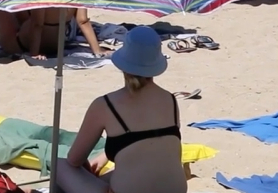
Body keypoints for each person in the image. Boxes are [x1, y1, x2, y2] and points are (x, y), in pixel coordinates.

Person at [56, 27, 186, 193]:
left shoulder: (106, 104)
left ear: (123, 63)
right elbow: (150, 147)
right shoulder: (171, 100)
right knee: (126, 173)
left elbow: (74, 160)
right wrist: (105, 157)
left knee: (60, 165)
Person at [17, 8, 105, 60]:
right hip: (57, 44)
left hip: (26, 42)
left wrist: (34, 54)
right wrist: (97, 51)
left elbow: (37, 25)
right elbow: (83, 22)